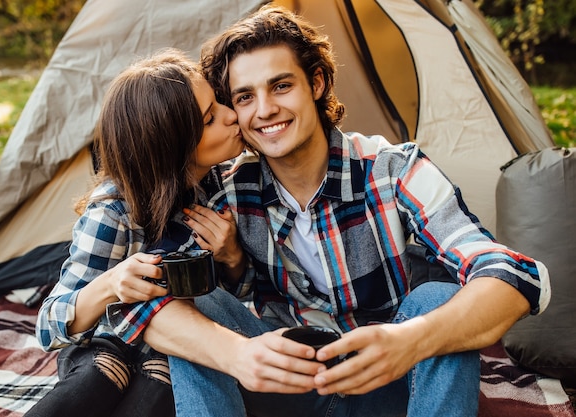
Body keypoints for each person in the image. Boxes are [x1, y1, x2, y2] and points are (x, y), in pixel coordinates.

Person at [108, 5, 551, 417]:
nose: (265, 111)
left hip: (387, 381)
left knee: (437, 299)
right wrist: (236, 352)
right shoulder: (224, 189)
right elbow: (140, 302)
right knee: (192, 299)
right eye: (244, 97)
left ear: (316, 83)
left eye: (281, 86)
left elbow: (513, 275)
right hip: (284, 381)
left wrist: (408, 340)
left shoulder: (392, 170)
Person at [25, 49, 246, 417]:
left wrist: (232, 256)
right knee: (104, 374)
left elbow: (241, 302)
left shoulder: (223, 186)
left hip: (174, 347)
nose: (231, 115)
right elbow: (49, 326)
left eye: (219, 103)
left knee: (162, 378)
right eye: (210, 119)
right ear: (171, 148)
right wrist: (111, 284)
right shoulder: (115, 214)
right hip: (104, 344)